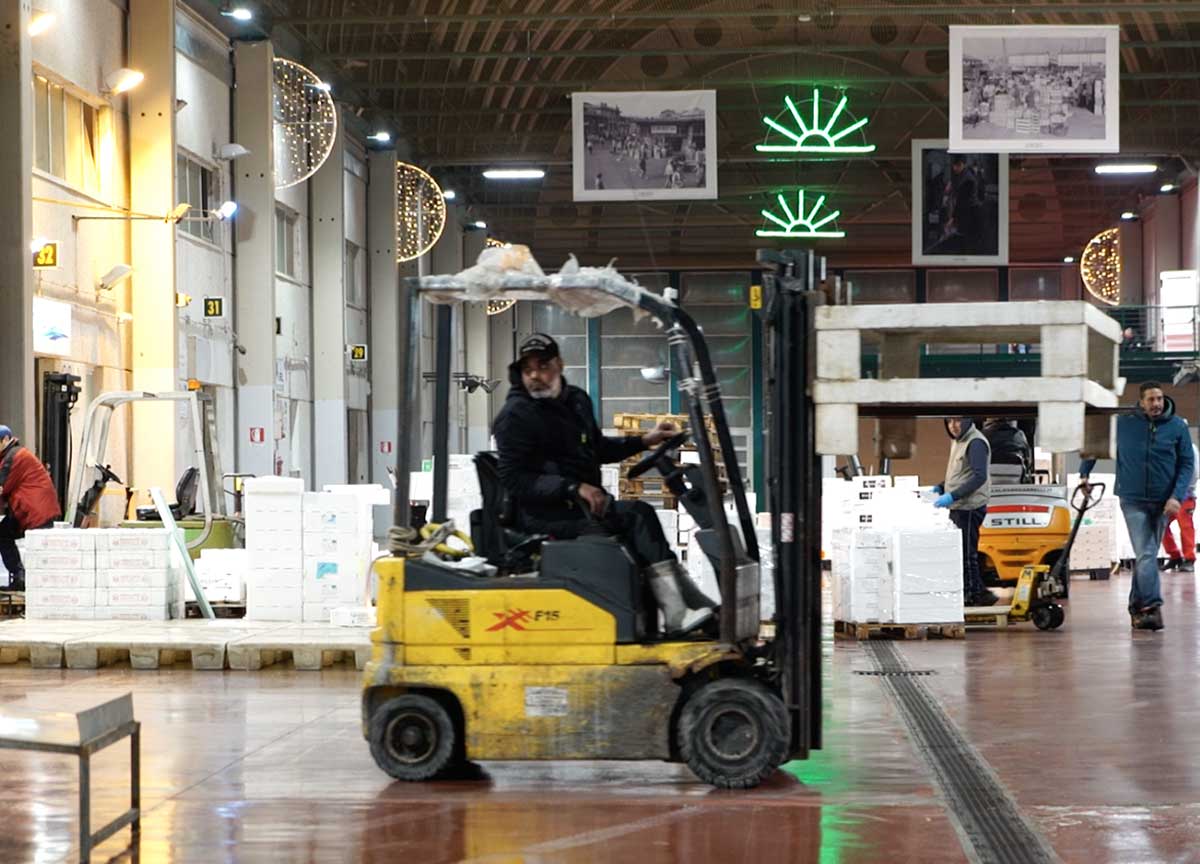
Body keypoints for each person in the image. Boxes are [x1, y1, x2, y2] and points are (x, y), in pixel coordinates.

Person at [493, 334, 715, 635]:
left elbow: (596, 449)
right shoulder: (516, 415)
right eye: (528, 369)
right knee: (636, 516)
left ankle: (686, 602)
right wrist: (572, 487)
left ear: (559, 365)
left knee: (639, 517)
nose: (535, 375)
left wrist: (644, 441)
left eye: (542, 366)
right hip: (543, 514)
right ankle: (675, 611)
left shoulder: (576, 401)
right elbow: (514, 478)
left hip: (576, 506)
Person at [1080, 382, 1194, 631]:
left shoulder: (1177, 426)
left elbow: (1187, 464)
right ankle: (1151, 606)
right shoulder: (1123, 423)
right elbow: (1097, 445)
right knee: (1146, 553)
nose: (1156, 404)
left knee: (1146, 555)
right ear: (1141, 402)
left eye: (1159, 399)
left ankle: (1136, 606)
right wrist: (1084, 474)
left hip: (1164, 501)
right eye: (1151, 399)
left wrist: (1176, 497)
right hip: (1132, 499)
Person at [932, 417, 999, 607]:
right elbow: (962, 474)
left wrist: (952, 496)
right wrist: (941, 487)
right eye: (949, 421)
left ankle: (974, 595)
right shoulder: (959, 441)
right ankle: (977, 592)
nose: (953, 426)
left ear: (968, 421)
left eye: (958, 421)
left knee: (967, 553)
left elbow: (979, 477)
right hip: (958, 505)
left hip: (969, 506)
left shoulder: (975, 442)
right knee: (962, 551)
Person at [0, 425, 62, 592]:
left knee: (6, 536)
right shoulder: (12, 455)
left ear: (5, 440)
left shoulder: (13, 457)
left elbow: (1, 486)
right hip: (33, 509)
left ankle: (24, 579)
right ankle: (22, 578)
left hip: (34, 511)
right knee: (4, 534)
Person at [1161, 439, 1199, 573]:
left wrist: (1185, 490)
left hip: (1186, 495)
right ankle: (1174, 555)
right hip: (1169, 496)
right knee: (1161, 524)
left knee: (1186, 525)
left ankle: (1189, 559)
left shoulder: (1190, 449)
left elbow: (1193, 471)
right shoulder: (1168, 447)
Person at [982, 418, 1033, 484]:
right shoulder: (1019, 434)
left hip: (989, 476)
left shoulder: (984, 434)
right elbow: (1027, 455)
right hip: (1016, 474)